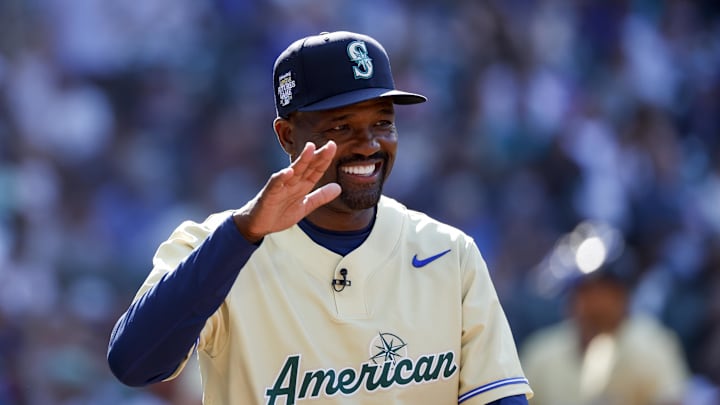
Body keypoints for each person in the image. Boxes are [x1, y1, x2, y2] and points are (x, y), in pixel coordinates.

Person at [107, 30, 533, 404]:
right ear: (287, 135)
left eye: (383, 122)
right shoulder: (216, 244)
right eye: (341, 127)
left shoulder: (449, 254)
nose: (369, 145)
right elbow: (135, 363)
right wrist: (242, 235)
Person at [520, 266, 688, 405]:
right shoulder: (542, 351)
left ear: (623, 298)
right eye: (586, 292)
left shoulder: (653, 344)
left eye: (605, 291)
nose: (596, 303)